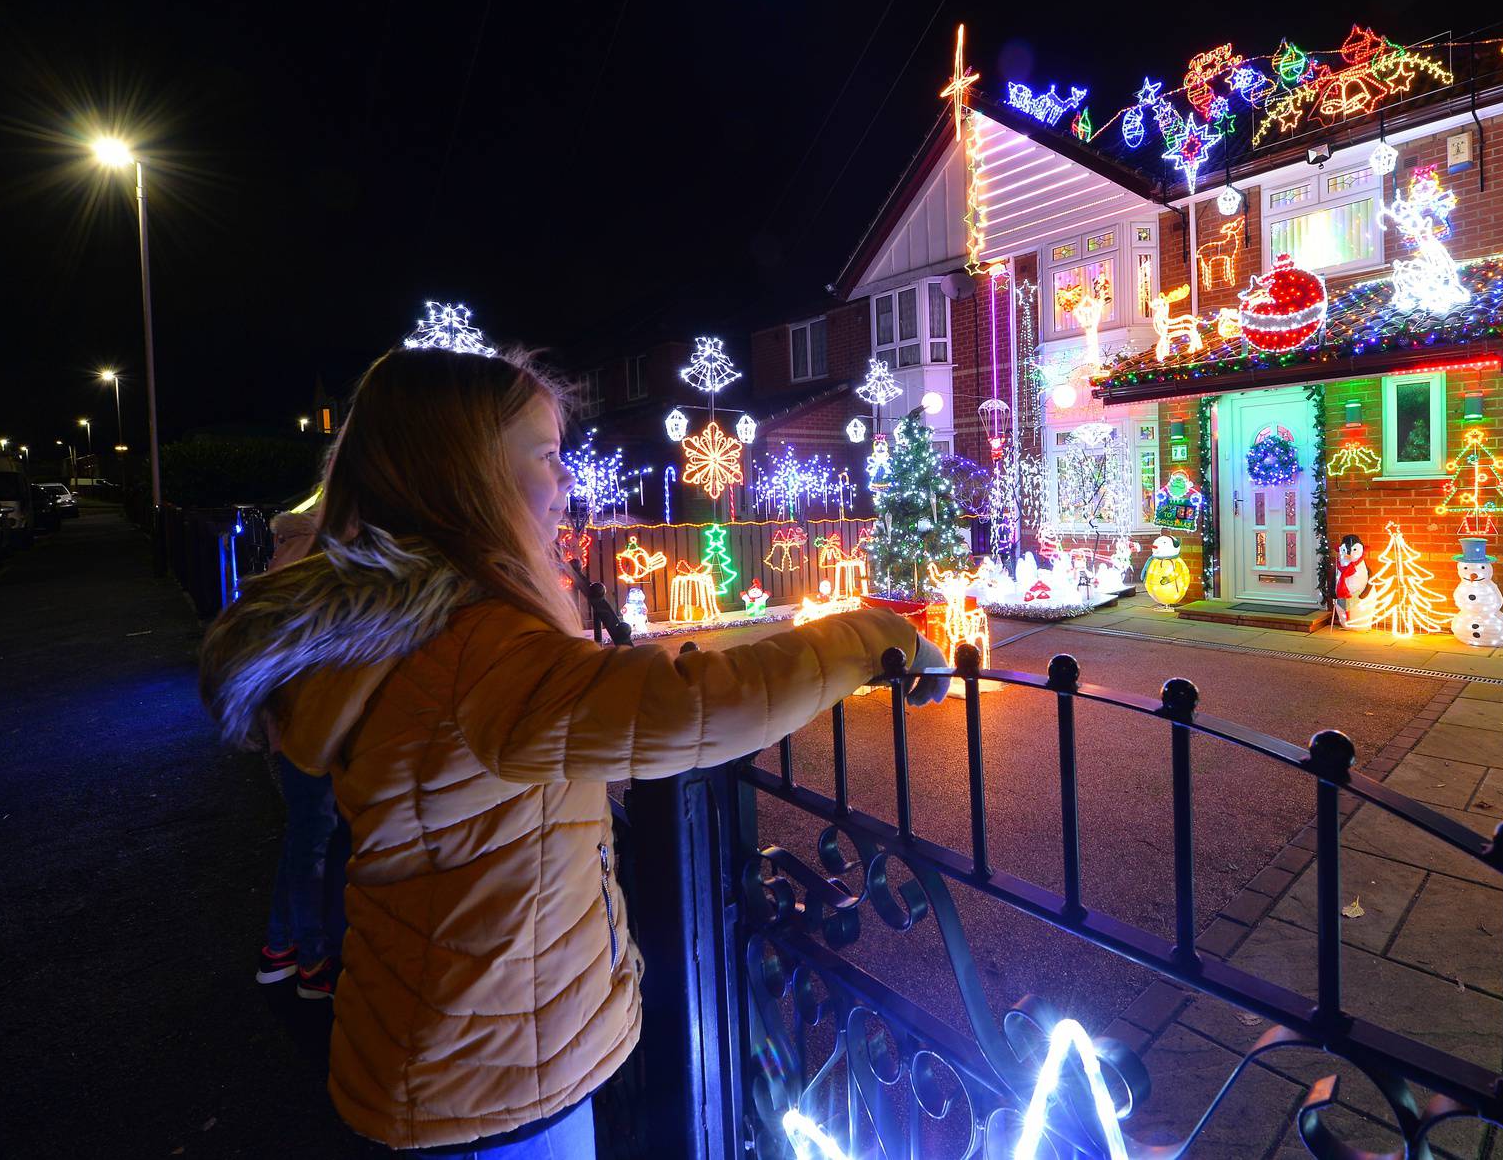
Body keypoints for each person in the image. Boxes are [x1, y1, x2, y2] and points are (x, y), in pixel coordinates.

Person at [200, 346, 945, 1156]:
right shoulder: (477, 649)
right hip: (496, 1084)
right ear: (466, 473)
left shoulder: (410, 628)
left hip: (442, 1045)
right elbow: (691, 710)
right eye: (548, 456)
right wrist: (876, 634)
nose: (566, 482)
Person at [252, 505, 348, 1000]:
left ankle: (281, 948)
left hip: (295, 721)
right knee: (318, 838)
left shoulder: (295, 550)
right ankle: (312, 961)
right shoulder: (316, 557)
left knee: (307, 837)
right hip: (312, 723)